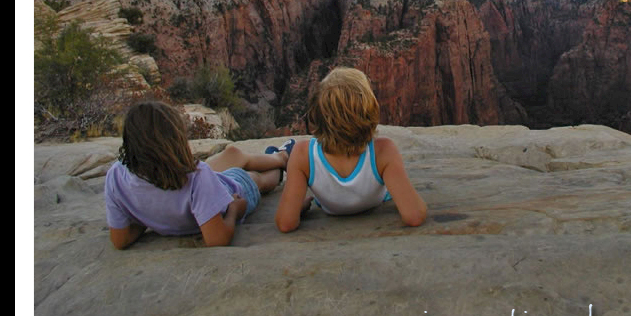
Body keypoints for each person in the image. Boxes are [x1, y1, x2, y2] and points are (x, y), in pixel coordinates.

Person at [104, 100, 288, 249]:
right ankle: (282, 162)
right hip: (229, 193)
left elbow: (120, 240)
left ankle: (277, 157)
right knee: (255, 178)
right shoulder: (196, 177)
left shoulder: (116, 176)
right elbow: (217, 239)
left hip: (185, 182)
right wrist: (234, 210)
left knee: (233, 154)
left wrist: (149, 215)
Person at [275, 67, 427, 233]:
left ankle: (278, 156)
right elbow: (414, 216)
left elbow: (286, 223)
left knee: (290, 156)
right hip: (376, 201)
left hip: (328, 209)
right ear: (370, 111)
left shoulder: (302, 154)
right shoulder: (383, 151)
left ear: (317, 114)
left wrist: (299, 206)